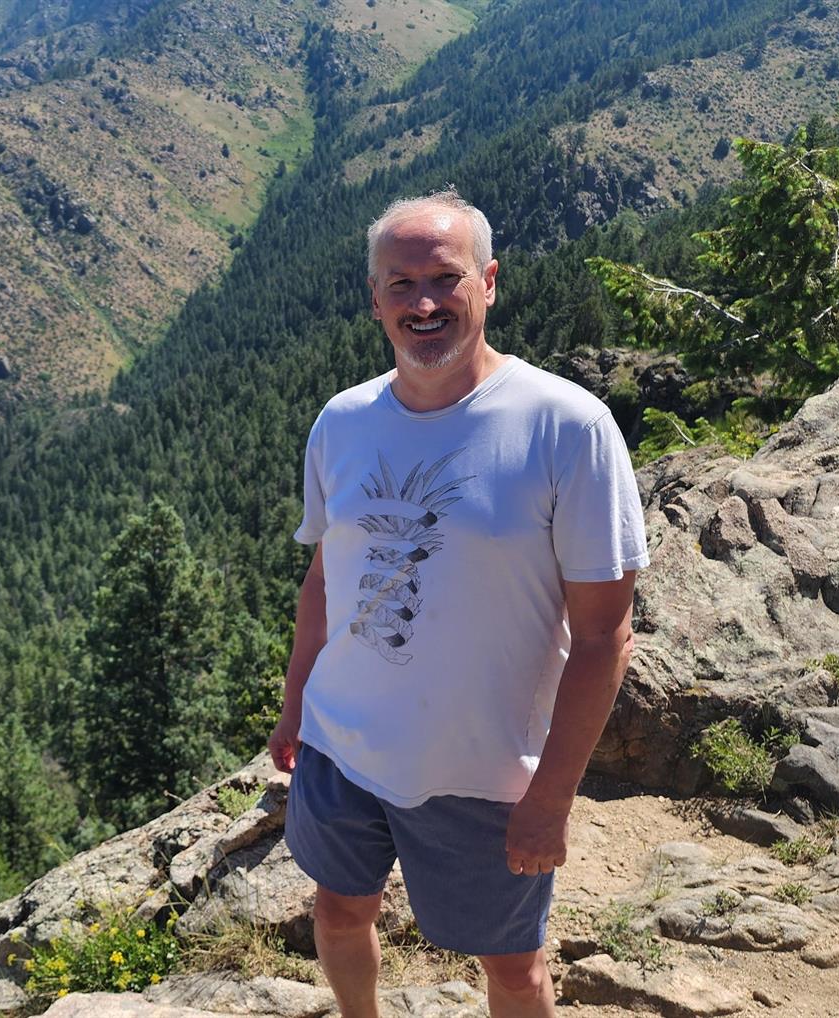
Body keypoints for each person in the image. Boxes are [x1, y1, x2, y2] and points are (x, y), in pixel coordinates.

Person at [268, 187, 649, 1018]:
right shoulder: (342, 422)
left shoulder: (566, 428)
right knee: (339, 911)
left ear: (489, 282)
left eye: (445, 278)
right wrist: (296, 704)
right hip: (340, 746)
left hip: (484, 772)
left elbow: (604, 637)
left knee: (512, 969)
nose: (424, 304)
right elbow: (327, 578)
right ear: (375, 298)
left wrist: (551, 797)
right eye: (401, 285)